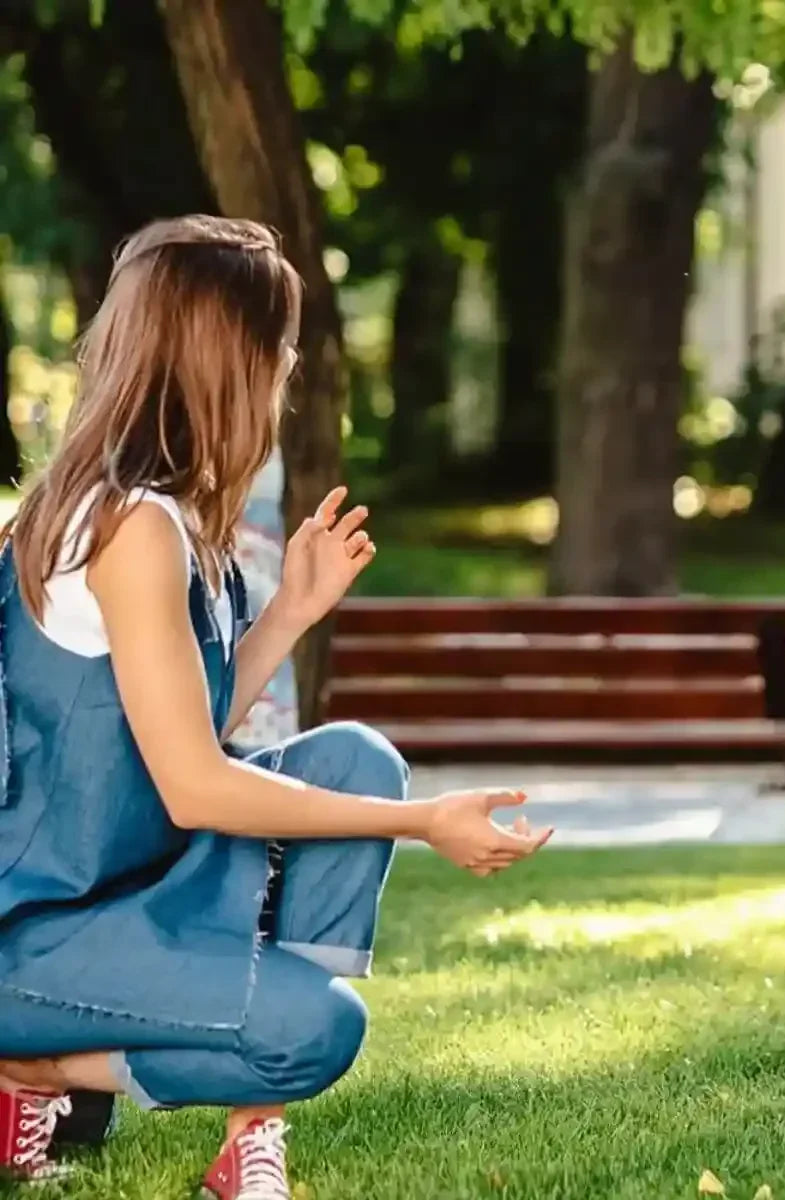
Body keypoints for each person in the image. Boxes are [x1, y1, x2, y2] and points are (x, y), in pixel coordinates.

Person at [0, 215, 552, 1197]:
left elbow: (176, 735)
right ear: (230, 358)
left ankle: (250, 1133)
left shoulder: (162, 515)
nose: (290, 367)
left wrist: (292, 609)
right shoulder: (129, 527)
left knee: (354, 759)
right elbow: (196, 789)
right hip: (35, 932)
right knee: (315, 1029)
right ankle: (33, 1067)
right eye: (280, 345)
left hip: (123, 895)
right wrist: (424, 822)